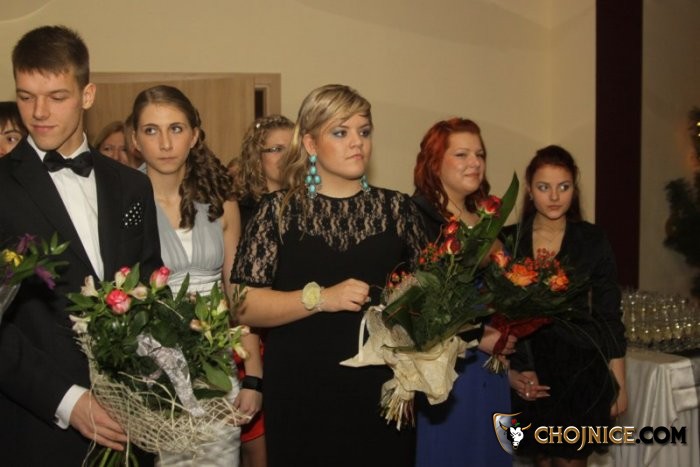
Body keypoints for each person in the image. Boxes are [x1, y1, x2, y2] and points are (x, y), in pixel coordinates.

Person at [231, 84, 428, 467]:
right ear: (310, 143)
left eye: (364, 131)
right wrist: (321, 298)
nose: (357, 142)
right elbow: (243, 306)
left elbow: (430, 298)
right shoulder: (276, 212)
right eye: (341, 132)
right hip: (301, 388)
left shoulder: (398, 210)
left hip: (382, 391)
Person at [0, 25, 162, 466]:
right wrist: (67, 401)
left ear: (87, 95)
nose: (39, 112)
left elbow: (149, 286)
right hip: (35, 428)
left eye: (56, 97)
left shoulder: (132, 187)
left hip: (131, 426)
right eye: (26, 96)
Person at [132, 84, 262, 466]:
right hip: (150, 377)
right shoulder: (123, 205)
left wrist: (253, 376)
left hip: (217, 371)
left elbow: (239, 296)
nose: (165, 143)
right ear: (135, 140)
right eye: (151, 130)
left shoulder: (222, 203)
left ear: (194, 136)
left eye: (176, 128)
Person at [506, 145, 627, 466]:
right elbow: (496, 316)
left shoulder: (592, 240)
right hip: (529, 368)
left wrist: (619, 384)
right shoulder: (508, 241)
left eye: (564, 186)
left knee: (571, 461)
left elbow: (609, 315)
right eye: (544, 187)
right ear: (529, 189)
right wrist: (515, 369)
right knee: (539, 459)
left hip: (580, 370)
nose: (554, 196)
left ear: (574, 188)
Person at [411, 117, 516, 467]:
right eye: (461, 154)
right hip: (447, 371)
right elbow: (413, 305)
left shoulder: (488, 219)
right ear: (434, 162)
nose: (474, 162)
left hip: (493, 367)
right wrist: (477, 335)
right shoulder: (418, 219)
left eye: (480, 154)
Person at [228, 114, 294, 467]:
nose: (286, 157)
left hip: (297, 337)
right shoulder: (242, 210)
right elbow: (237, 294)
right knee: (259, 447)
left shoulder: (315, 207)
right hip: (251, 337)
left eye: (292, 148)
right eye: (275, 149)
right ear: (257, 156)